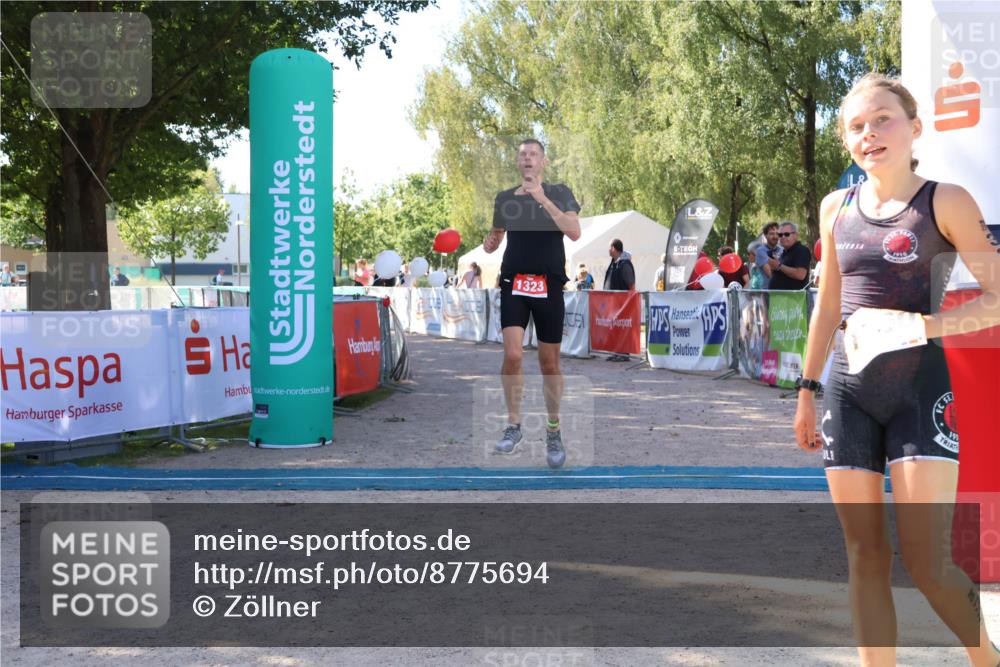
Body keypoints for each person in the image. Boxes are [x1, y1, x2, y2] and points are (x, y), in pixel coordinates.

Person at [794, 73, 1000, 667]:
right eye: (856, 126)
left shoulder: (945, 200)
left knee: (929, 563)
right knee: (865, 555)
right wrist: (806, 389)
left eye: (882, 119)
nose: (870, 133)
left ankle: (987, 658)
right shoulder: (835, 208)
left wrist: (920, 327)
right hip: (847, 393)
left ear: (915, 127)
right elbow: (828, 307)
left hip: (919, 391)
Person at [483, 138, 581, 468]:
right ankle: (514, 425)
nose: (527, 158)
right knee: (512, 354)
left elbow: (574, 231)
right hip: (514, 281)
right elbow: (496, 235)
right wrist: (491, 242)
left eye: (533, 154)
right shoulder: (505, 198)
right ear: (518, 161)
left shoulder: (560, 192)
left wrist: (542, 198)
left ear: (543, 162)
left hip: (549, 284)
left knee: (549, 363)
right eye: (523, 154)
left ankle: (553, 429)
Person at [767, 222, 811, 290]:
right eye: (780, 235)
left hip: (793, 296)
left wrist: (779, 266)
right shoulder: (782, 253)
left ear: (795, 235)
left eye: (787, 234)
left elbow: (800, 275)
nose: (783, 237)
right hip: (777, 295)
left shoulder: (802, 250)